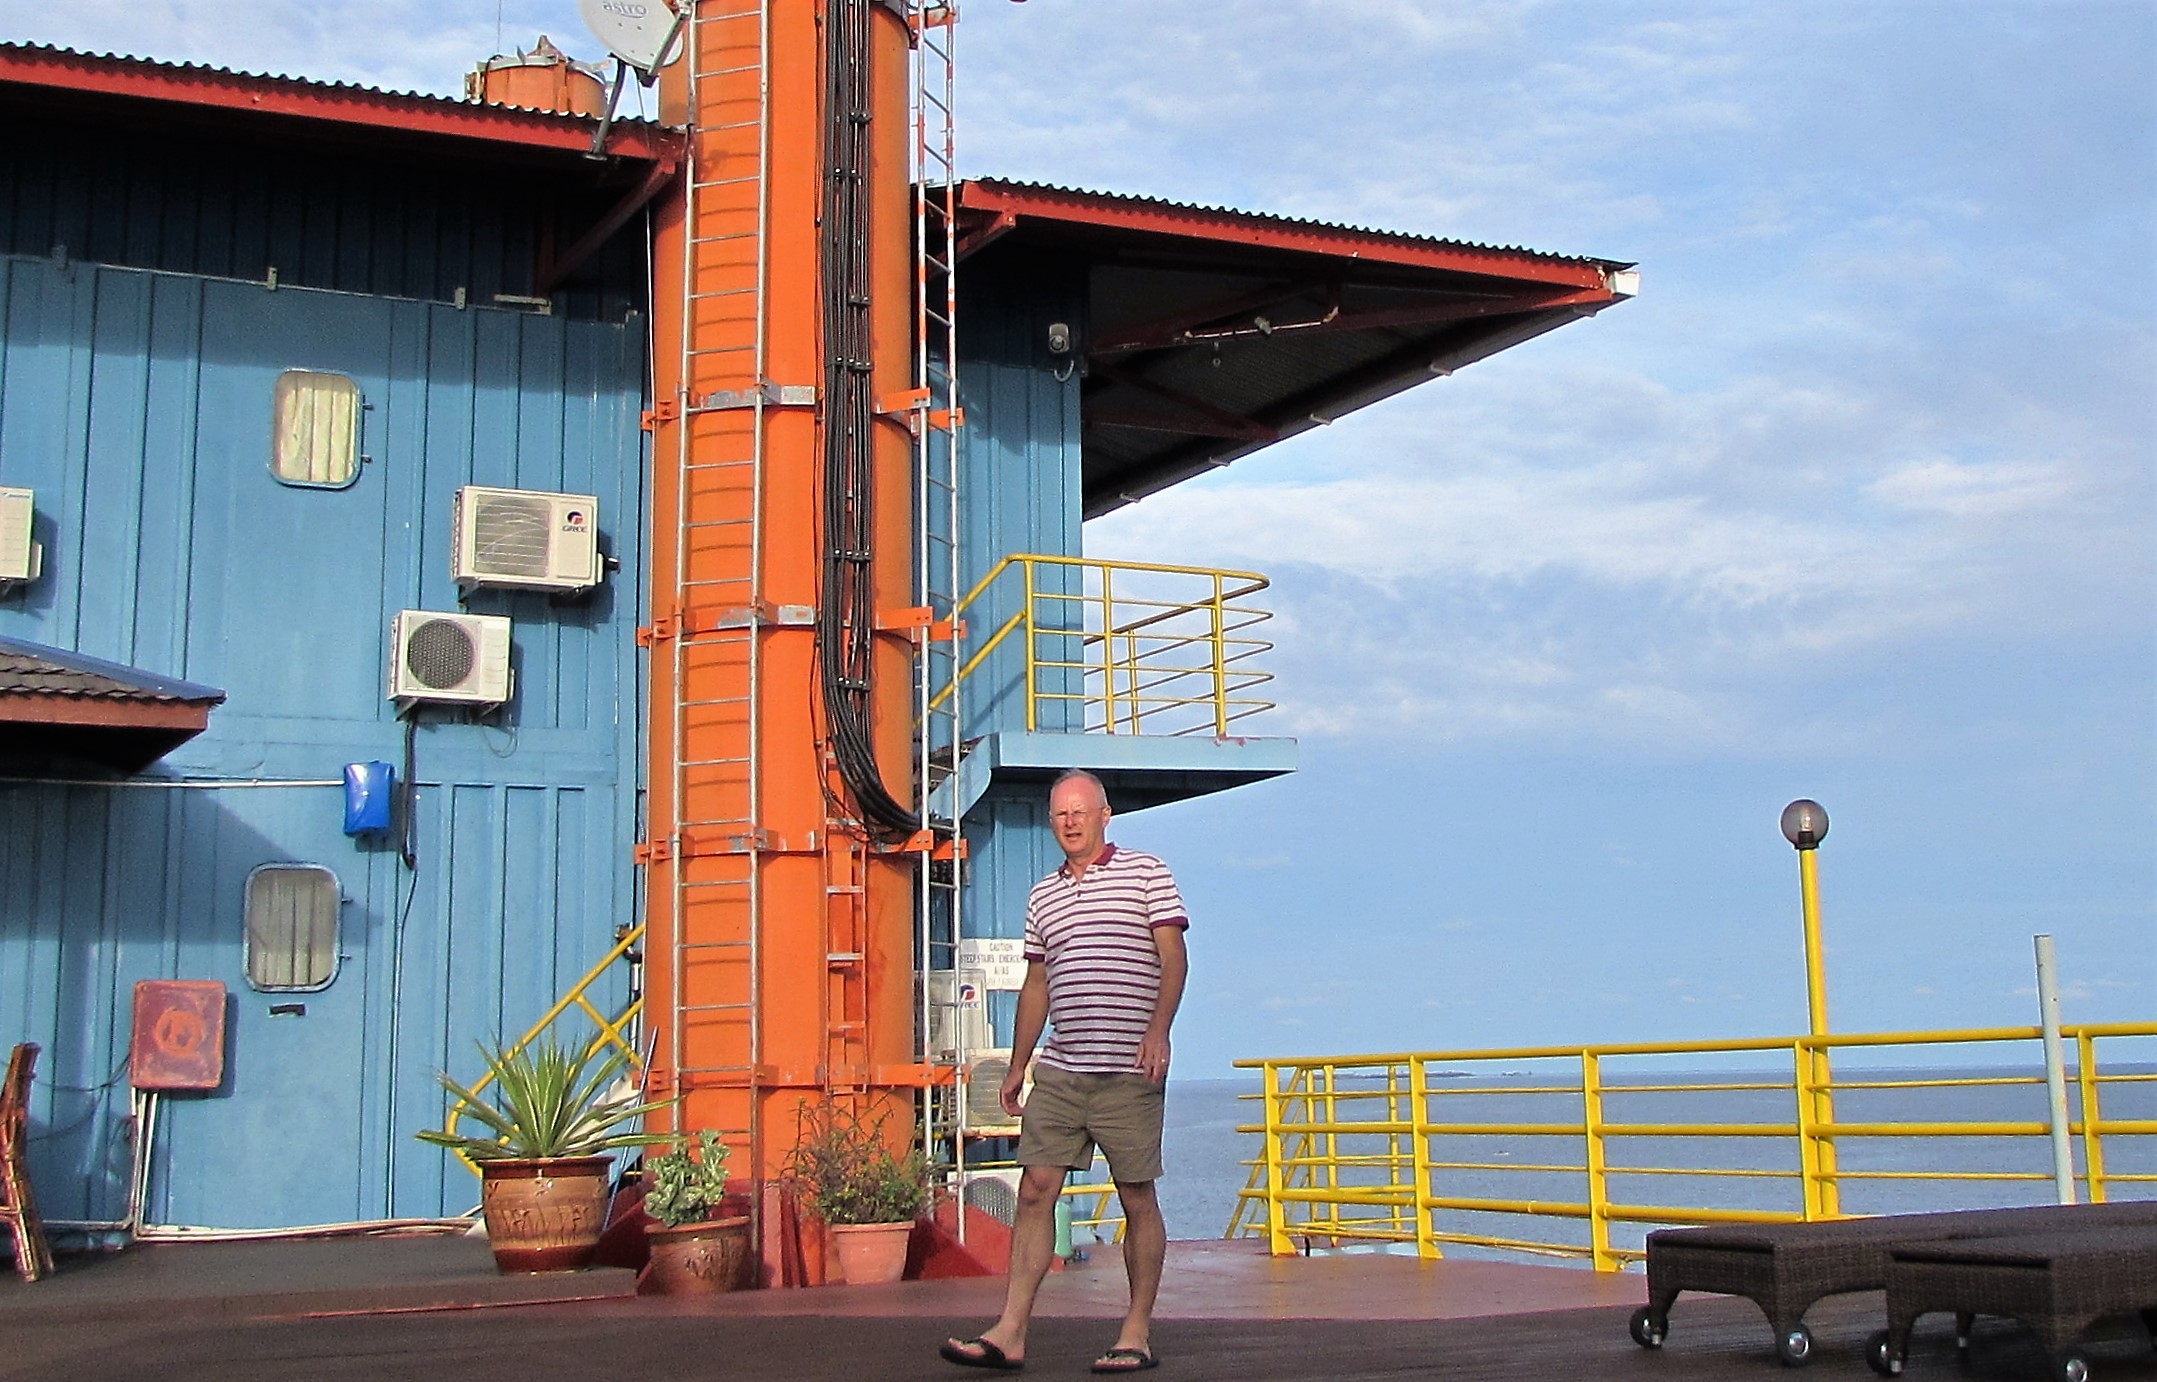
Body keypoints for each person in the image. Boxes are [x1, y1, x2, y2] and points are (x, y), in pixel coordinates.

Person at [940, 768, 1188, 1375]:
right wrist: (1017, 1064)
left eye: (1080, 811)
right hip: (1061, 1067)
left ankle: (1135, 1332)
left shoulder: (1147, 873)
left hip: (1129, 1066)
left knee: (1135, 1194)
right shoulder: (1042, 896)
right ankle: (1011, 1330)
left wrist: (1158, 1030)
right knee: (1033, 1190)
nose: (1070, 822)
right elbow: (1038, 983)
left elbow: (1174, 957)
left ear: (1105, 815)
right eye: (1059, 814)